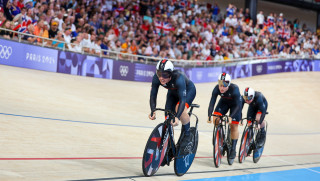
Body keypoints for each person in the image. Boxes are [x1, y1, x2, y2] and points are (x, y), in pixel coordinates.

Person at [149, 59, 196, 156]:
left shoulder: (179, 77)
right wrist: (153, 110)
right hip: (172, 92)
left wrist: (177, 117)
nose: (161, 78)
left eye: (165, 75)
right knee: (168, 117)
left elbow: (182, 99)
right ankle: (170, 145)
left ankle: (187, 136)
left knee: (179, 108)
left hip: (188, 91)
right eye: (159, 74)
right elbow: (153, 95)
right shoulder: (156, 78)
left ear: (171, 73)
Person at [207, 72, 243, 161]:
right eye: (220, 85)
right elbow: (212, 102)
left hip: (235, 105)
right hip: (224, 103)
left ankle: (233, 148)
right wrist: (209, 115)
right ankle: (220, 138)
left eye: (224, 85)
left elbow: (239, 106)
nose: (222, 88)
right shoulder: (216, 89)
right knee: (215, 119)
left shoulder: (235, 89)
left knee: (233, 126)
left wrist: (232, 116)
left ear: (229, 84)